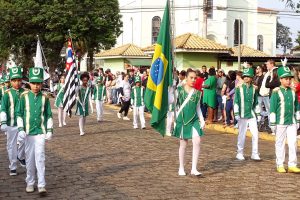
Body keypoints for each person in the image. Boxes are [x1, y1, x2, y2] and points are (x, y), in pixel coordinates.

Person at [16, 67, 53, 194]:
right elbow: (19, 114)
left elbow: (48, 115)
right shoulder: (23, 96)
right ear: (29, 83)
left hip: (40, 132)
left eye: (38, 83)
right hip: (28, 133)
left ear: (42, 83)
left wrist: (49, 130)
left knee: (40, 158)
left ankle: (41, 184)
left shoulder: (45, 97)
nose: (36, 86)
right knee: (30, 159)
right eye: (34, 83)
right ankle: (30, 182)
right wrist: (21, 129)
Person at [173, 69, 205, 176]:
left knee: (197, 141)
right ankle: (181, 167)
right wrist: (170, 89)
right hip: (182, 119)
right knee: (184, 143)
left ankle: (194, 168)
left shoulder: (198, 93)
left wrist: (202, 119)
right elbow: (172, 103)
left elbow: (198, 108)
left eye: (195, 78)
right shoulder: (179, 90)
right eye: (191, 77)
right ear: (186, 78)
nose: (193, 80)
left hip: (194, 119)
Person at [270, 66, 300, 173]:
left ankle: (292, 164)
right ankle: (280, 164)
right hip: (280, 122)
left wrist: (298, 120)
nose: (288, 81)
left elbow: (297, 106)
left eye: (289, 78)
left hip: (291, 122)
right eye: (286, 79)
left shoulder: (293, 92)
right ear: (280, 80)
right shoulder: (276, 92)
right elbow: (272, 108)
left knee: (293, 143)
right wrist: (272, 123)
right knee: (280, 143)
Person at [0, 67, 26, 176]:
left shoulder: (25, 92)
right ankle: (13, 166)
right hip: (11, 124)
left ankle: (20, 156)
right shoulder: (6, 93)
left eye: (19, 80)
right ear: (10, 81)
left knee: (24, 141)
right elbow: (3, 108)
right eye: (14, 80)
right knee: (11, 146)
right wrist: (3, 122)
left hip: (23, 124)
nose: (17, 83)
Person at [234, 68, 261, 161]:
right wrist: (236, 113)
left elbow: (256, 102)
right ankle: (239, 153)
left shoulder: (254, 89)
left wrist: (258, 114)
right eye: (244, 76)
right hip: (242, 115)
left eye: (248, 76)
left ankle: (255, 153)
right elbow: (236, 101)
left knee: (255, 134)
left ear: (251, 78)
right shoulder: (239, 88)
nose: (246, 78)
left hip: (252, 114)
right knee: (242, 134)